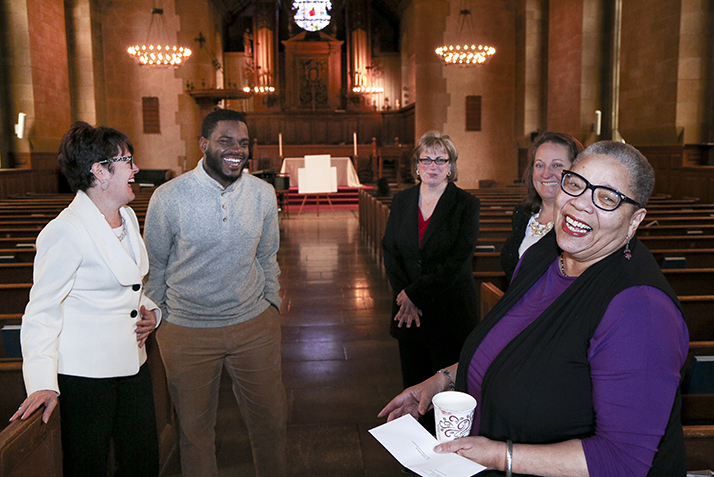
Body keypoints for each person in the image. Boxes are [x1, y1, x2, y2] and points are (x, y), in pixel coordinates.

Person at [379, 141, 689, 477]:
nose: (582, 204)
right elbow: (509, 344)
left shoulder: (640, 310)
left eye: (607, 198)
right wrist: (442, 381)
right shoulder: (546, 253)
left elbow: (622, 460)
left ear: (635, 220)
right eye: (576, 184)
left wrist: (500, 456)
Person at [11, 121, 160, 476]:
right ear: (100, 172)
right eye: (128, 160)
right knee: (87, 467)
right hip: (86, 379)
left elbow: (132, 285)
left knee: (143, 463)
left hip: (134, 367)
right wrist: (42, 382)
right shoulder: (65, 231)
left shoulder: (125, 216)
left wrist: (152, 313)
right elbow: (41, 312)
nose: (135, 169)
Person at [143, 108, 287, 477]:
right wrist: (163, 322)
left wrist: (271, 305)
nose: (236, 149)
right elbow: (154, 266)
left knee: (271, 423)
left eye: (243, 143)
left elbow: (268, 254)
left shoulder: (263, 193)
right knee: (194, 433)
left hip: (253, 323)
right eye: (226, 141)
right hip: (187, 330)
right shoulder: (168, 197)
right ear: (204, 144)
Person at [381, 131, 480, 412]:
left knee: (448, 394)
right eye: (426, 160)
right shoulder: (402, 201)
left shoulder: (466, 204)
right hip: (408, 316)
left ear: (451, 165)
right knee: (413, 387)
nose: (432, 166)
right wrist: (404, 296)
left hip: (449, 312)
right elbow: (390, 250)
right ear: (417, 165)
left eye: (440, 160)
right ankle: (418, 450)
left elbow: (458, 260)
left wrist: (413, 294)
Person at [500, 132, 583, 281]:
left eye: (556, 165)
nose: (546, 174)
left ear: (576, 171)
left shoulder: (581, 221)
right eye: (540, 165)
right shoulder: (522, 214)